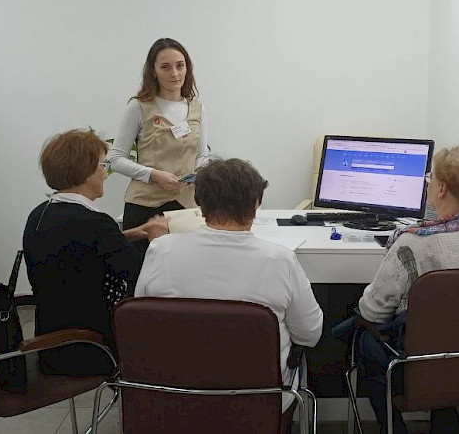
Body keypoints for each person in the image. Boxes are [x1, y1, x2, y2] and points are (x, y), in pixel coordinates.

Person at [135, 158, 324, 424]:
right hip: (258, 404)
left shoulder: (159, 250)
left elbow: (143, 322)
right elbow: (310, 334)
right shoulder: (280, 261)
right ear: (256, 205)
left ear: (200, 204)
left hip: (174, 398)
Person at [344, 145, 459, 434]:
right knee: (447, 335)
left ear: (441, 189)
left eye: (431, 178)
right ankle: (446, 421)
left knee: (366, 338)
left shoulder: (412, 244)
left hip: (423, 370)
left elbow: (373, 312)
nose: (428, 184)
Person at [23, 128, 168, 376]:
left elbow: (78, 247)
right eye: (103, 165)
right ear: (86, 171)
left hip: (51, 342)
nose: (105, 173)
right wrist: (158, 241)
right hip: (91, 347)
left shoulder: (40, 214)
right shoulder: (96, 224)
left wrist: (129, 234)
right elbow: (142, 274)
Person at [108, 37, 208, 265]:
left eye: (180, 66)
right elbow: (115, 158)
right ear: (153, 71)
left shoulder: (197, 108)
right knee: (144, 272)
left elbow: (202, 154)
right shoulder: (139, 106)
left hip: (186, 207)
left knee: (185, 271)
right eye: (165, 67)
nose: (175, 73)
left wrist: (200, 173)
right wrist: (153, 175)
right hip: (146, 207)